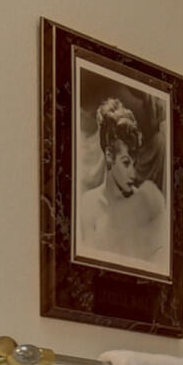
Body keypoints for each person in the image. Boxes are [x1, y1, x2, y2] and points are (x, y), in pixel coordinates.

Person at [75, 90, 169, 273]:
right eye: (126, 163)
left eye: (134, 163)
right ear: (109, 156)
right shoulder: (89, 205)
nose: (133, 173)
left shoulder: (149, 199)